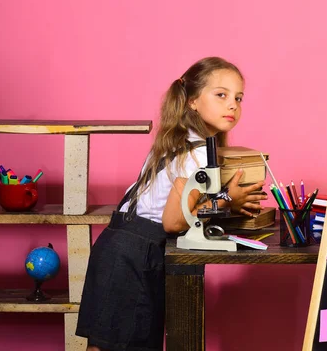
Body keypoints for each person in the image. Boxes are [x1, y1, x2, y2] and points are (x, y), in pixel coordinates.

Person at [76, 56, 267, 351]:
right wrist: (228, 200)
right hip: (136, 255)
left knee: (103, 345)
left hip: (117, 245)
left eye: (238, 98)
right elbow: (174, 222)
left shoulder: (176, 140)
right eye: (221, 95)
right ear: (192, 101)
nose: (233, 105)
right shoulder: (200, 154)